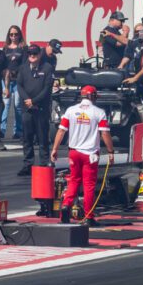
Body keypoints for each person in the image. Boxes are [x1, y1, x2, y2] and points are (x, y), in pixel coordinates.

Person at [51, 85, 114, 226]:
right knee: (89, 185)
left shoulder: (70, 110)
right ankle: (89, 216)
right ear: (93, 96)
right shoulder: (99, 112)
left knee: (73, 181)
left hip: (74, 152)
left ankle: (66, 206)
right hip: (90, 153)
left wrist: (54, 149)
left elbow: (61, 131)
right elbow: (105, 133)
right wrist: (110, 151)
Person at [17, 44, 55, 177]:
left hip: (41, 107)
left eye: (34, 54)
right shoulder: (23, 68)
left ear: (39, 54)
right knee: (27, 137)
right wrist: (27, 100)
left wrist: (34, 101)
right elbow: (19, 85)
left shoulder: (47, 68)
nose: (32, 56)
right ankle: (28, 164)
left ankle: (44, 162)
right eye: (30, 54)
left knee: (42, 136)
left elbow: (47, 88)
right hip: (27, 108)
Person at [2, 26, 26, 140]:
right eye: (11, 34)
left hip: (18, 80)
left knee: (17, 105)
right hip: (6, 80)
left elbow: (25, 64)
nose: (13, 37)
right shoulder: (5, 48)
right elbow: (2, 64)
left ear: (19, 35)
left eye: (16, 34)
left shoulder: (23, 48)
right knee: (5, 105)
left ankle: (19, 131)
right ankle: (2, 130)